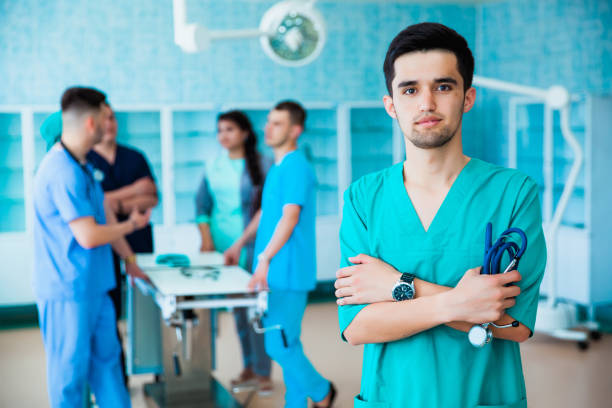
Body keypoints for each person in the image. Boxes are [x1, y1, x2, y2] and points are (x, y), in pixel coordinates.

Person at [334, 23, 546, 408]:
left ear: (467, 97)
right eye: (410, 89)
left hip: (482, 396)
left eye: (443, 86)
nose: (426, 103)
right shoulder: (363, 198)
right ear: (391, 105)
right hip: (391, 397)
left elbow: (515, 328)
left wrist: (399, 286)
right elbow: (357, 327)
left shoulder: (514, 192)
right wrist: (463, 303)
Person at [33, 86, 151, 407]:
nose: (110, 124)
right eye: (105, 117)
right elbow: (88, 235)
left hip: (96, 286)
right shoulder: (60, 171)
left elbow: (104, 217)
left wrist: (130, 258)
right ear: (90, 124)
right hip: (66, 290)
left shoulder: (84, 169)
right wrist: (133, 224)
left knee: (109, 367)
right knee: (69, 376)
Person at [227, 101, 336, 408]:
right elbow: (266, 213)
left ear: (295, 130)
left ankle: (322, 391)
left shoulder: (298, 166)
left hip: (287, 270)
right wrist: (239, 244)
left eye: (277, 123)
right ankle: (297, 402)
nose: (268, 128)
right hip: (274, 269)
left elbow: (289, 217)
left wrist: (263, 259)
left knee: (278, 344)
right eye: (268, 122)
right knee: (287, 339)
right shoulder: (278, 167)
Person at [194, 110, 273, 392]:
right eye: (219, 130)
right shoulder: (212, 166)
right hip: (222, 251)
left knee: (256, 311)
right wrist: (206, 242)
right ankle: (249, 367)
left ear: (245, 133)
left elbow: (267, 210)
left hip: (252, 247)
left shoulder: (263, 165)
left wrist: (239, 244)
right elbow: (201, 207)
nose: (223, 135)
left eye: (229, 129)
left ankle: (264, 372)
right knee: (238, 312)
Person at [87, 102, 159, 385]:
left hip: (139, 240)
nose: (111, 124)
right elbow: (101, 207)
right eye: (105, 119)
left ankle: (156, 368)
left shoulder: (134, 157)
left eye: (114, 118)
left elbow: (152, 197)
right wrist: (131, 194)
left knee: (148, 305)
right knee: (111, 312)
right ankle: (119, 378)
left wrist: (113, 200)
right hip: (105, 244)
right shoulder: (87, 160)